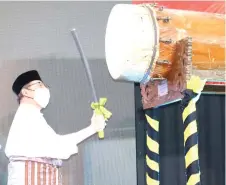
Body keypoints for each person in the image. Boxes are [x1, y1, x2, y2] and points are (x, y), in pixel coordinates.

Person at [5, 70, 106, 185]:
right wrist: (92, 129)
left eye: (45, 86)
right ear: (25, 92)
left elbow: (57, 144)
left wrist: (92, 129)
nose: (45, 89)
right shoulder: (26, 117)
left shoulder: (32, 116)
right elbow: (58, 146)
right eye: (39, 85)